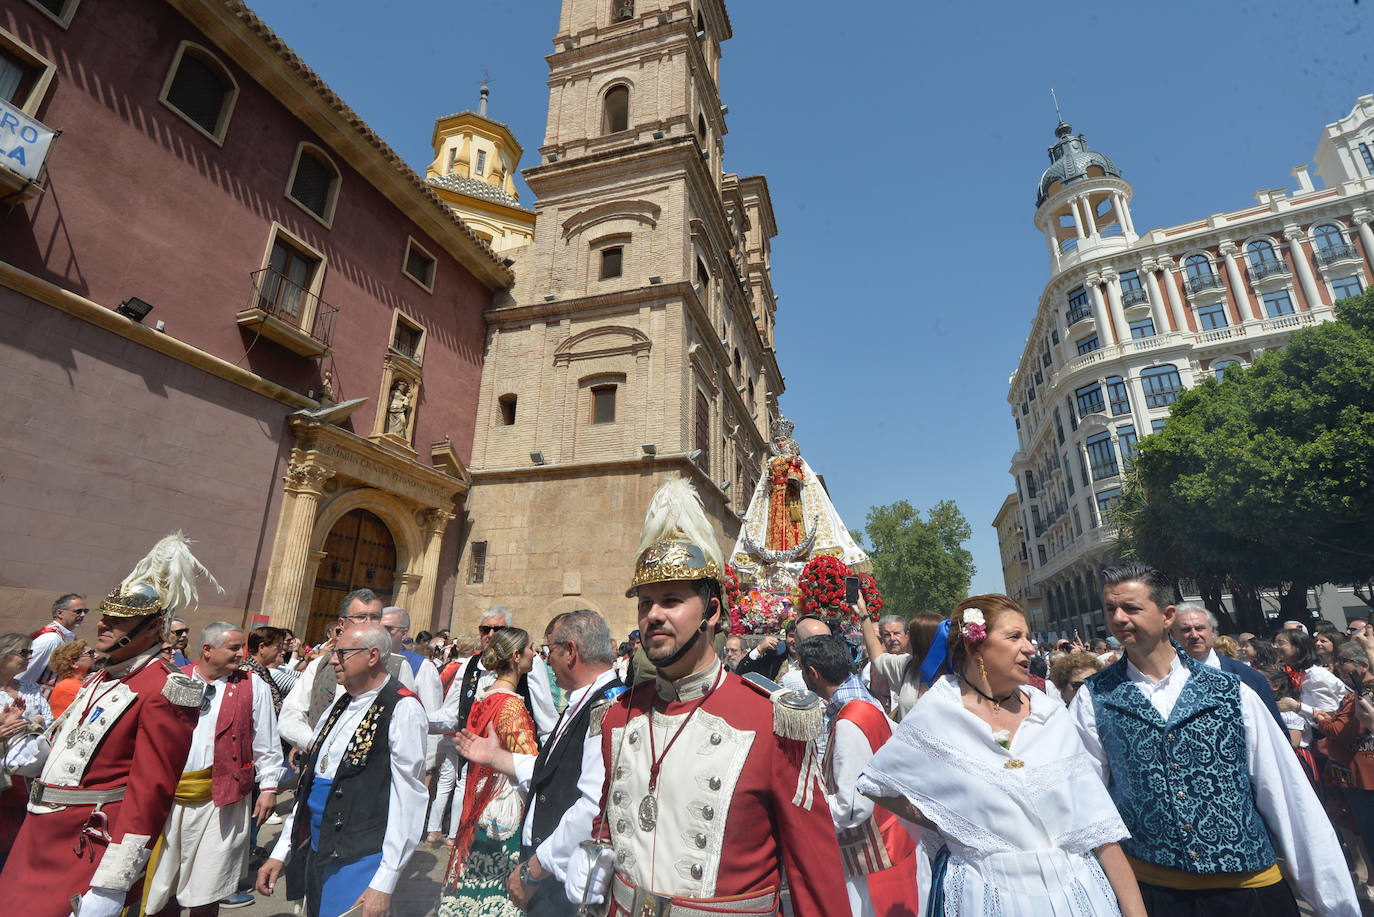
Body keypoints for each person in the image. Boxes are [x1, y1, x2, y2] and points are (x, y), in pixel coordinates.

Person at [564, 476, 849, 916]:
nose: (653, 615)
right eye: (645, 603)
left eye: (672, 600)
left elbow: (815, 873)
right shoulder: (617, 717)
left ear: (712, 612)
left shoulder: (772, 720)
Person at [1072, 562, 1358, 916]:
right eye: (1110, 608)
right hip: (1156, 893)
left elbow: (1284, 792)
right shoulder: (1094, 696)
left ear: (1167, 615)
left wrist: (1335, 904)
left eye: (1130, 607)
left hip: (1246, 892)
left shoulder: (1231, 691)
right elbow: (1088, 804)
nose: (1117, 618)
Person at [858, 595, 1144, 917]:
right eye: (1014, 637)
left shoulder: (1048, 714)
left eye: (1028, 636)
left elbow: (1097, 826)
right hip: (985, 895)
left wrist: (1134, 910)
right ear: (975, 647)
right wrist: (951, 820)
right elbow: (877, 784)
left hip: (1073, 893)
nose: (1031, 647)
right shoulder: (939, 712)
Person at [0, 533, 213, 917]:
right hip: (39, 832)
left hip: (87, 843)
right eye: (105, 614)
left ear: (153, 627)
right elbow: (69, 747)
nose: (103, 624)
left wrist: (113, 883)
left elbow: (150, 794)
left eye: (120, 619)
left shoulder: (165, 689)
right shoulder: (102, 676)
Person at [454, 609, 622, 917]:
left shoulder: (608, 707)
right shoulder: (585, 700)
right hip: (549, 870)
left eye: (549, 650)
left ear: (570, 651)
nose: (545, 660)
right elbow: (556, 772)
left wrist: (534, 869)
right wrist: (496, 757)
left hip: (559, 874)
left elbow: (592, 808)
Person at [256, 623, 428, 917]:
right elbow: (311, 787)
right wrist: (281, 851)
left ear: (372, 656)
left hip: (360, 859)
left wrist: (384, 882)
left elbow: (408, 801)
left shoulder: (402, 709)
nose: (332, 659)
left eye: (342, 653)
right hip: (320, 853)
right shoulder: (338, 706)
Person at [145, 623, 282, 917]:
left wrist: (269, 787)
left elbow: (266, 739)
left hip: (223, 801)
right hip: (170, 797)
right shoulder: (175, 679)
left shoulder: (251, 684)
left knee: (209, 885)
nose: (241, 654)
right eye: (233, 648)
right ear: (207, 649)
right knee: (162, 883)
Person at [797, 634, 918, 917]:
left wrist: (805, 808)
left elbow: (851, 807)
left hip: (872, 858)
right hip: (890, 843)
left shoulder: (850, 721)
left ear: (812, 673)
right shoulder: (863, 705)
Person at [436, 627, 539, 916]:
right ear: (517, 656)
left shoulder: (485, 697)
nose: (534, 653)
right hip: (502, 808)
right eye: (530, 648)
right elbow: (526, 760)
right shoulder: (511, 706)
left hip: (478, 803)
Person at [276, 589, 433, 757]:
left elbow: (406, 732)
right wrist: (312, 742)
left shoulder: (398, 666)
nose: (368, 623)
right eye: (360, 617)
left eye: (375, 618)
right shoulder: (321, 664)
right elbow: (290, 714)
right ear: (342, 624)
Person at [1316, 640, 1374, 903]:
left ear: (1363, 664)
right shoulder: (1355, 692)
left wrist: (1323, 721)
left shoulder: (1365, 693)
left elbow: (1344, 730)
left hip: (1367, 774)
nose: (1338, 666)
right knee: (1361, 829)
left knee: (1369, 831)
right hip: (1354, 773)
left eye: (1344, 661)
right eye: (1338, 661)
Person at [1170, 603, 1285, 731]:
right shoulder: (1165, 677)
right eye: (1186, 630)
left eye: (1200, 628)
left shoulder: (1248, 677)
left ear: (1212, 632)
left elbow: (1275, 732)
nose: (1194, 635)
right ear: (1173, 634)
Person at [0, 633, 53, 869]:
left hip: (28, 772)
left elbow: (50, 720)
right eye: (23, 652)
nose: (29, 657)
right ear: (4, 655)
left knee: (17, 833)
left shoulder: (30, 687)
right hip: (3, 772)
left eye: (30, 652)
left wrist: (30, 723)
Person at [381, 606, 444, 769]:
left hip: (399, 757)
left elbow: (429, 717)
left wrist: (428, 767)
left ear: (404, 633)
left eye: (388, 629)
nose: (381, 633)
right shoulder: (366, 658)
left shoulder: (422, 667)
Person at [861, 610, 946, 720]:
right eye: (887, 634)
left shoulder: (956, 678)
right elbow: (877, 657)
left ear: (923, 642)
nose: (908, 638)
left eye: (912, 635)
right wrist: (863, 615)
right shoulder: (908, 666)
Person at [1274, 626, 1349, 750]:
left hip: (1330, 743)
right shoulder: (1297, 673)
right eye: (1275, 643)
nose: (1275, 647)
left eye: (1281, 643)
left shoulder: (1316, 676)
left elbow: (1331, 715)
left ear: (1298, 647)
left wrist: (1295, 706)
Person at [24, 593, 86, 692]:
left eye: (85, 611)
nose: (83, 615)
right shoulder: (51, 638)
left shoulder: (66, 636)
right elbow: (25, 674)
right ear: (60, 613)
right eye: (78, 611)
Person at [241, 625, 287, 714]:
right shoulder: (248, 673)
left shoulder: (263, 670)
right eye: (278, 646)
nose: (282, 651)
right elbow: (264, 710)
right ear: (261, 647)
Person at [46, 638, 96, 718]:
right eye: (91, 653)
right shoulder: (69, 686)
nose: (97, 656)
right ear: (73, 663)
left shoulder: (75, 683)